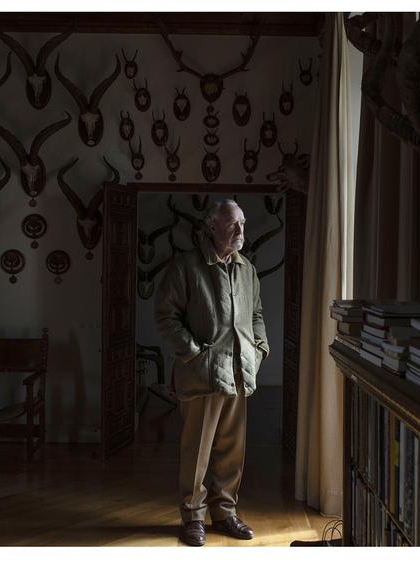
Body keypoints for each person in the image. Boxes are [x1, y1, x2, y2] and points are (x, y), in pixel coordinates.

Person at [154, 198, 269, 546]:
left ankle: (225, 513)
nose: (240, 231)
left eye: (243, 224)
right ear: (212, 226)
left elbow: (257, 315)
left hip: (239, 372)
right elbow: (165, 317)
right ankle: (192, 517)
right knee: (198, 451)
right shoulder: (186, 267)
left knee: (232, 450)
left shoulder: (246, 268)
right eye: (233, 224)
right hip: (200, 376)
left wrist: (260, 349)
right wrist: (193, 353)